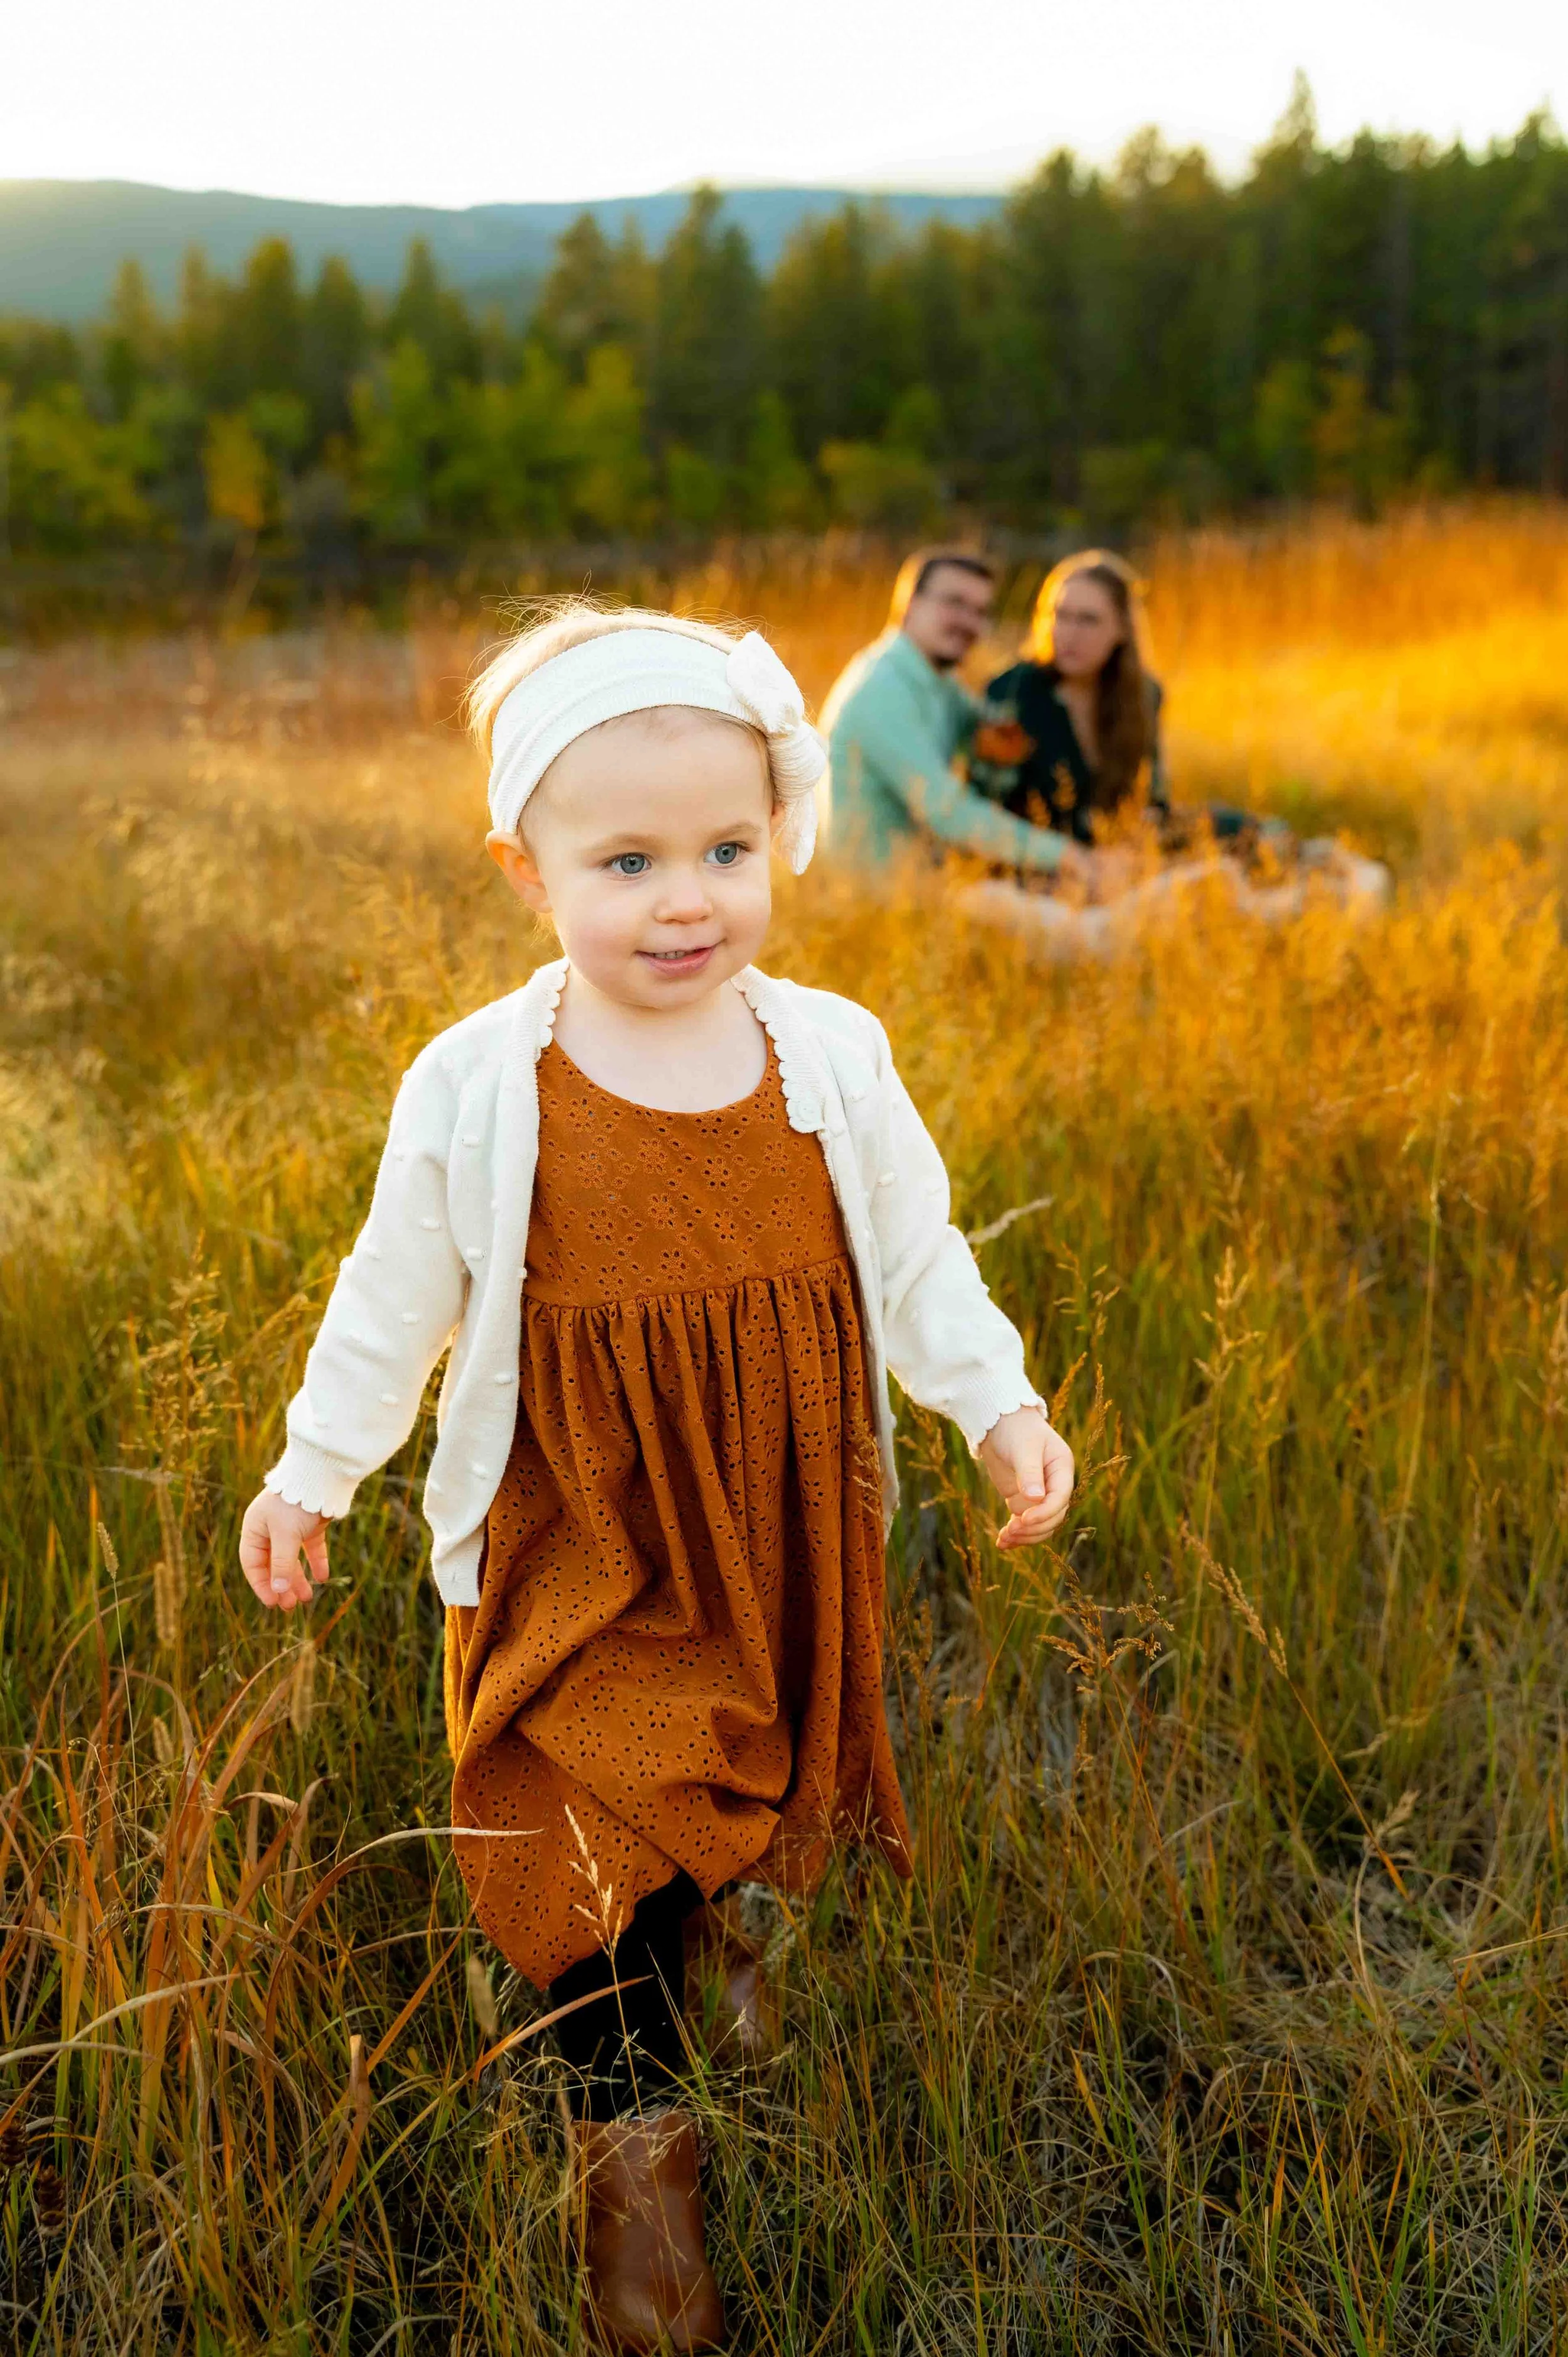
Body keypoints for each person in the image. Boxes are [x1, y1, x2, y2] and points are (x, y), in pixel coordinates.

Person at [236, 602, 1075, 2353]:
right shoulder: (477, 1079)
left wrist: (994, 1405)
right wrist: (316, 1464)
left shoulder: (829, 1049)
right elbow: (394, 1295)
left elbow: (915, 1255)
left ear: (779, 838)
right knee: (575, 1817)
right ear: (523, 867)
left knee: (727, 1765)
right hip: (580, 1524)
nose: (684, 896)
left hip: (767, 1506)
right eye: (625, 858)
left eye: (726, 848)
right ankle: (637, 2161)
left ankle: (716, 1930)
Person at [820, 546, 1093, 880]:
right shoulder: (881, 691)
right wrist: (1068, 855)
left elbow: (996, 729)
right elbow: (949, 813)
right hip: (875, 901)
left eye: (980, 611)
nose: (968, 622)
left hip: (927, 883)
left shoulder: (940, 683)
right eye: (955, 603)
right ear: (910, 604)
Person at [970, 550, 1259, 851]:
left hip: (1121, 850)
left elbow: (1152, 801)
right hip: (1041, 856)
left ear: (1122, 628)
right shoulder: (1011, 691)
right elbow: (990, 809)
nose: (1069, 634)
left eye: (1088, 620)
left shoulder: (1144, 694)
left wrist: (1132, 849)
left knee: (1241, 830)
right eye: (1060, 616)